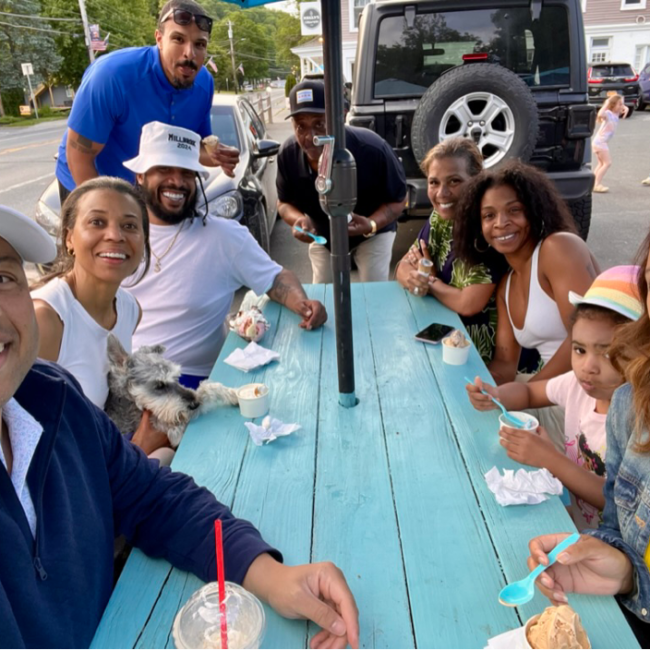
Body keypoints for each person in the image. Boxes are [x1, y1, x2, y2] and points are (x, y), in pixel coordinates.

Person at [0, 205, 359, 650]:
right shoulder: (52, 338)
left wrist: (269, 574)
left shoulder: (50, 396)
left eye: (3, 277)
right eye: (99, 222)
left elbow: (154, 497)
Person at [123, 121, 327, 388]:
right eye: (163, 169)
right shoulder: (117, 236)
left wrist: (303, 304)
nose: (176, 181)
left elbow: (275, 279)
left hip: (189, 383)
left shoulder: (223, 236)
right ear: (141, 175)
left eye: (186, 172)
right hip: (123, 379)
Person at [526, 237, 650, 644]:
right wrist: (624, 569)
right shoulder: (630, 406)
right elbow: (622, 525)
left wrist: (549, 458)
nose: (590, 365)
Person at [466, 266, 642, 530]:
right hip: (583, 524)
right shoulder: (577, 385)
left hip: (614, 549)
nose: (588, 366)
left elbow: (620, 502)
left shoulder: (638, 418)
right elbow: (528, 392)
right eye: (580, 349)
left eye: (607, 353)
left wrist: (549, 458)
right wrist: (497, 395)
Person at [29, 178, 172, 461]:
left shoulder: (130, 309)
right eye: (97, 222)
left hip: (100, 449)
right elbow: (31, 447)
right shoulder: (46, 321)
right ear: (69, 238)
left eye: (130, 225)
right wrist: (139, 447)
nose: (115, 235)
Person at [55, 0, 239, 204]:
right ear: (159, 39)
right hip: (87, 179)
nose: (190, 54)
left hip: (147, 189)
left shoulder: (204, 84)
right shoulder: (112, 76)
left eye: (199, 44)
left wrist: (219, 156)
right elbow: (79, 156)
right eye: (178, 39)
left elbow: (195, 149)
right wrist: (106, 209)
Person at [454, 161, 599, 386]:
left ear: (534, 210)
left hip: (592, 395)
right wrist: (480, 387)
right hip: (554, 391)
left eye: (514, 210)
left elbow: (587, 338)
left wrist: (527, 394)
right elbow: (504, 364)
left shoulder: (558, 248)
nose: (501, 223)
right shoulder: (506, 287)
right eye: (489, 216)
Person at [276, 79, 407, 283]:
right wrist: (298, 220)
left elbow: (399, 199)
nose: (310, 137)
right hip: (323, 235)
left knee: (373, 292)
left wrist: (371, 224)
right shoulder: (288, 155)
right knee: (323, 293)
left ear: (340, 117)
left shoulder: (372, 149)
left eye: (319, 124)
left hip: (372, 232)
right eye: (300, 126)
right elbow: (283, 203)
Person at [395, 138, 506, 361]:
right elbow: (402, 266)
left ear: (476, 180)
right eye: (434, 182)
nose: (442, 193)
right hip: (442, 333)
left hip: (477, 352)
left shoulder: (485, 229)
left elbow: (468, 304)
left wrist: (430, 281)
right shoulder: (439, 218)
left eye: (454, 181)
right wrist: (416, 278)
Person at [592, 93, 628, 193]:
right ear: (612, 105)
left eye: (622, 104)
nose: (622, 107)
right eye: (619, 104)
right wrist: (607, 104)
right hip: (600, 143)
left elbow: (623, 107)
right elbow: (600, 114)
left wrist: (625, 107)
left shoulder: (615, 114)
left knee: (601, 163)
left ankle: (593, 183)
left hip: (600, 142)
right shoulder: (608, 114)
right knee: (607, 163)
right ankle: (597, 184)